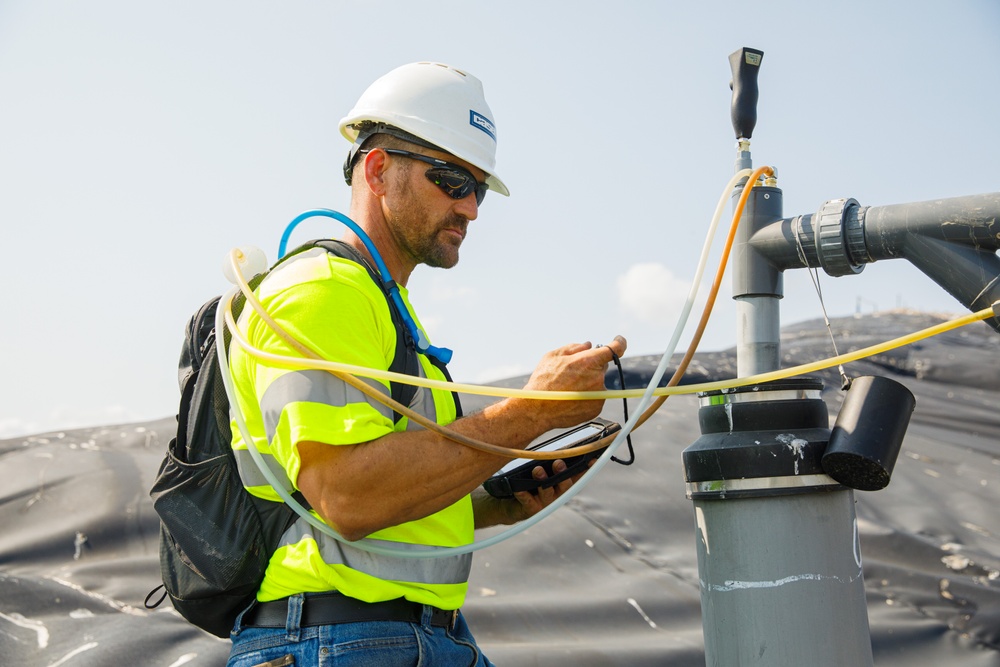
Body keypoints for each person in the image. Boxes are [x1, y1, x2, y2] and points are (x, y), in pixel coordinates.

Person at [225, 61, 627, 667]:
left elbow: (384, 498)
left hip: (400, 637)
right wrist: (529, 413)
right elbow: (346, 498)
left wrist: (496, 502)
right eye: (451, 180)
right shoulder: (323, 292)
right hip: (337, 639)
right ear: (379, 169)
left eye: (479, 189)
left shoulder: (378, 303)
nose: (470, 210)